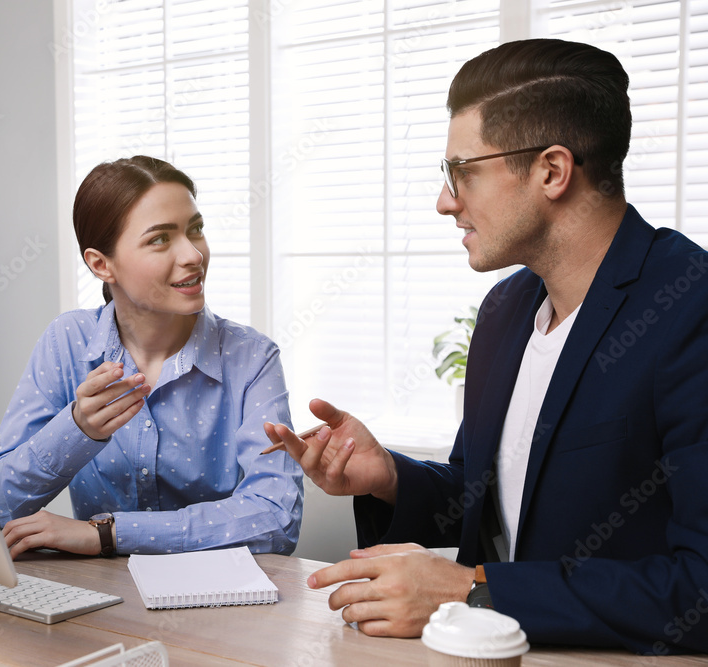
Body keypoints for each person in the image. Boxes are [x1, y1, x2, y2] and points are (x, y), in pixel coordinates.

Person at [263, 38, 708, 655]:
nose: (446, 200)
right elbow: (484, 497)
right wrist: (390, 477)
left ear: (552, 171)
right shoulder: (504, 311)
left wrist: (472, 591)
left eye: (463, 171)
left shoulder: (690, 307)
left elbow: (700, 587)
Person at [0, 156, 304, 559]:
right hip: (97, 602)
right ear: (101, 264)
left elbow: (276, 519)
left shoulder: (252, 357)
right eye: (160, 239)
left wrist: (108, 534)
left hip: (221, 608)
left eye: (196, 230)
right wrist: (78, 430)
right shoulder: (67, 341)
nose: (193, 255)